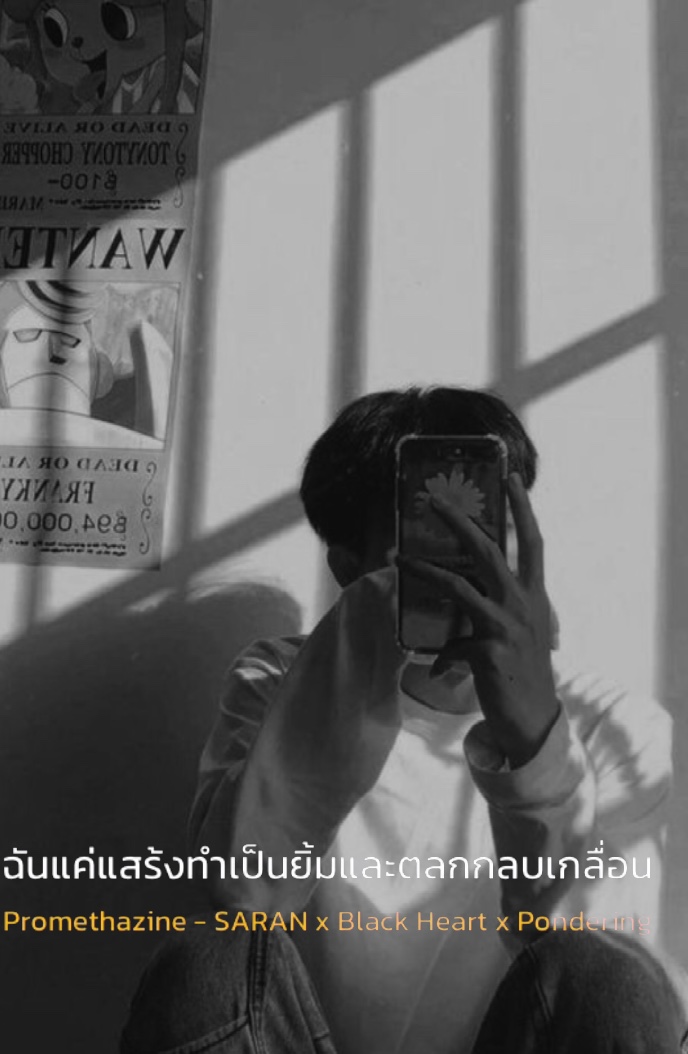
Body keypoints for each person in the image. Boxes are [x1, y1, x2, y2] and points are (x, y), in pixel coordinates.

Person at [122, 386, 686, 1054]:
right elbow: (246, 895)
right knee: (208, 961)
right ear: (348, 569)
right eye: (430, 552)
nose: (467, 579)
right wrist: (356, 648)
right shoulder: (278, 681)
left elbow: (594, 986)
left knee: (612, 974)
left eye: (486, 541)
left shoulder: (613, 723)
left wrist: (532, 738)